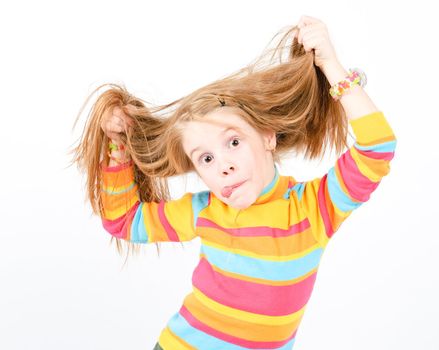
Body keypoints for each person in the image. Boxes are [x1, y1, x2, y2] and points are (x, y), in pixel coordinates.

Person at [71, 15, 397, 350]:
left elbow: (378, 148)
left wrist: (331, 65)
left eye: (234, 143)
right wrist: (118, 147)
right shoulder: (206, 211)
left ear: (268, 137)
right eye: (206, 159)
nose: (223, 165)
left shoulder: (313, 208)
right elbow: (124, 220)